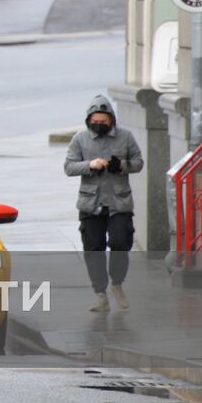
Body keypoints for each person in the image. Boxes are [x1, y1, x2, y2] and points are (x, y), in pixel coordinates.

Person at [65, 94, 144, 312]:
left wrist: (121, 165)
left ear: (111, 120)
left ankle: (117, 283)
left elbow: (138, 163)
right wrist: (90, 165)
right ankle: (100, 293)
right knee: (93, 249)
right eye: (95, 122)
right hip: (91, 203)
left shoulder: (125, 137)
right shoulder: (79, 139)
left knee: (120, 243)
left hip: (119, 202)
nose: (98, 125)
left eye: (103, 121)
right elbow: (69, 167)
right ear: (89, 120)